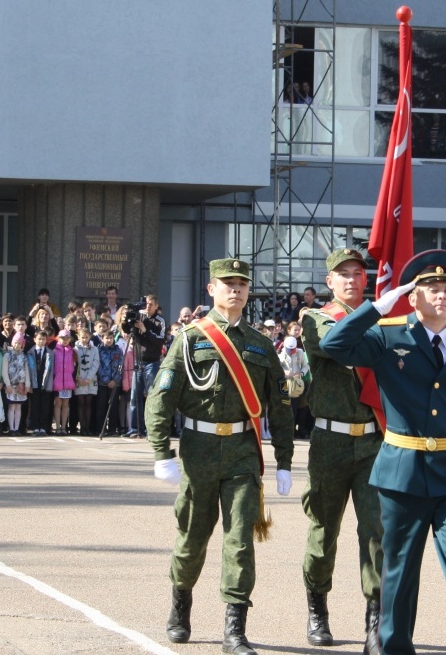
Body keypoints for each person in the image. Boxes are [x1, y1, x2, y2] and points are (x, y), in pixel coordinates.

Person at [321, 250, 446, 655]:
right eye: (432, 288)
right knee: (400, 569)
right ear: (413, 296)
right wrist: (375, 308)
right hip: (402, 473)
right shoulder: (389, 336)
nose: (441, 295)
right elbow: (334, 344)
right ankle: (395, 647)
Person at [146, 258, 294, 655]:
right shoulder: (190, 338)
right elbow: (161, 397)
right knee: (192, 538)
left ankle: (235, 628)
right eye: (228, 283)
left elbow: (280, 406)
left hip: (243, 453)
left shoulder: (261, 344)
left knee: (240, 540)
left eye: (242, 284)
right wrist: (162, 452)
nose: (236, 289)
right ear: (211, 289)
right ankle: (181, 601)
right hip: (199, 451)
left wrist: (284, 460)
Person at [297, 248, 385, 653]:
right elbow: (337, 344)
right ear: (329, 282)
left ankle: (375, 620)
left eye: (357, 273)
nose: (351, 279)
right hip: (329, 442)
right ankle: (317, 607)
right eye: (342, 274)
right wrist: (376, 317)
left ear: (366, 280)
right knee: (323, 531)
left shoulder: (384, 322)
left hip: (372, 441)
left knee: (376, 533)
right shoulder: (315, 319)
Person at [121, 293, 166, 438]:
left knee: (152, 396)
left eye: (151, 304)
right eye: (146, 304)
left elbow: (160, 341)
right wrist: (125, 320)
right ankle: (135, 428)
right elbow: (127, 330)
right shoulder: (139, 316)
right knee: (135, 396)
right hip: (138, 361)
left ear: (156, 306)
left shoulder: (160, 321)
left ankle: (151, 428)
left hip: (152, 362)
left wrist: (145, 329)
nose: (148, 307)